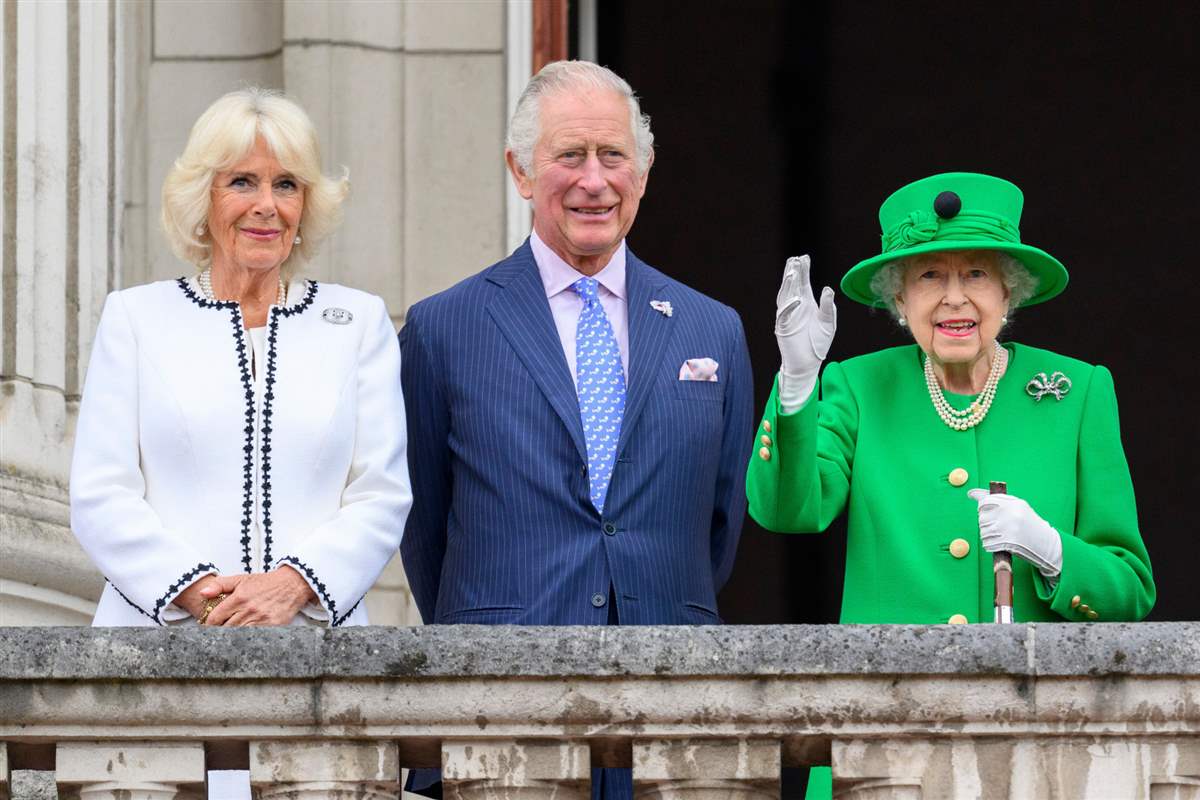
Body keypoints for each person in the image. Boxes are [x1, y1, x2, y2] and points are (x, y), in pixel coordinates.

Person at [399, 60, 753, 799]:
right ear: (522, 172)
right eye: (570, 156)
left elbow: (720, 525)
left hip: (673, 708)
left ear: (644, 172)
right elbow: (422, 525)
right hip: (497, 705)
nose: (594, 180)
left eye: (613, 156)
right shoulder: (444, 328)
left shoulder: (712, 330)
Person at [747, 172, 1155, 799]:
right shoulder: (858, 386)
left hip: (1035, 748)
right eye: (930, 276)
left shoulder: (1077, 392)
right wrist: (798, 384)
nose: (954, 299)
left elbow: (1129, 590)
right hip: (885, 738)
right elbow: (787, 511)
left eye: (976, 275)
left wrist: (1051, 551)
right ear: (900, 299)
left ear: (1008, 294)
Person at [70, 87, 411, 629]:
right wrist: (204, 598)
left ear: (306, 205)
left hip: (316, 644)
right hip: (157, 642)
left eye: (286, 185)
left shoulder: (360, 323)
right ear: (203, 199)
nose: (266, 205)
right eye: (241, 182)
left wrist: (290, 586)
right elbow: (99, 493)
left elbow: (382, 493)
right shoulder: (136, 318)